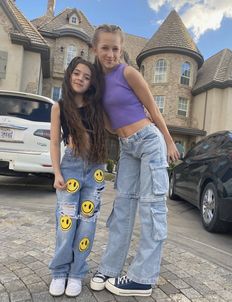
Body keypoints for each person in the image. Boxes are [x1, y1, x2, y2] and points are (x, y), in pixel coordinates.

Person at [90, 24, 180, 297]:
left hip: (149, 141)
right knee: (122, 209)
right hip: (127, 147)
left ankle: (142, 278)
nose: (110, 54)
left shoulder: (128, 72)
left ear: (121, 49)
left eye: (115, 48)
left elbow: (153, 109)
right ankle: (110, 268)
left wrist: (169, 140)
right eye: (105, 48)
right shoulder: (97, 83)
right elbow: (106, 121)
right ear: (95, 49)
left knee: (153, 208)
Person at [49, 56, 106, 297]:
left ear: (92, 82)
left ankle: (76, 273)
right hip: (70, 169)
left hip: (95, 169)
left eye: (86, 76)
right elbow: (53, 143)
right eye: (77, 73)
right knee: (66, 225)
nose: (80, 79)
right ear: (69, 73)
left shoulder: (97, 106)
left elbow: (113, 127)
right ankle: (60, 272)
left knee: (86, 225)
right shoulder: (59, 106)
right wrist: (56, 173)